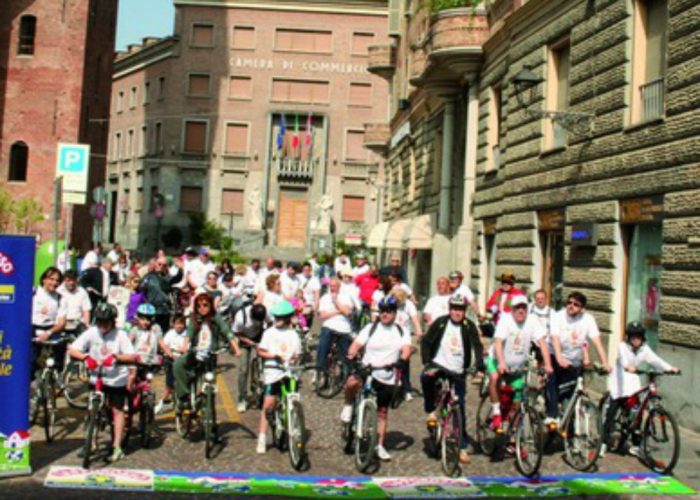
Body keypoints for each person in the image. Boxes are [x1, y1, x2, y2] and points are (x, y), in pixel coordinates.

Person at [340, 296, 412, 461]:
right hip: (368, 369)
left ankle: (379, 445)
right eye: (383, 311)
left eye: (389, 311)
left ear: (394, 313)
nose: (385, 314)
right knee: (352, 383)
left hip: (387, 374)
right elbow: (356, 344)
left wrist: (402, 360)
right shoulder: (370, 328)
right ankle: (349, 405)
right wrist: (351, 355)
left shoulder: (401, 331)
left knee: (382, 412)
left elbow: (406, 349)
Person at [68, 303, 137, 462]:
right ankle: (91, 442)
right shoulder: (92, 332)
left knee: (117, 410)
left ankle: (117, 446)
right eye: (99, 322)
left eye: (106, 322)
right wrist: (86, 357)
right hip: (96, 377)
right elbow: (73, 349)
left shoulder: (120, 335)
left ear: (113, 321)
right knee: (91, 409)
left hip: (115, 378)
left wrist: (116, 357)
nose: (102, 326)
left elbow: (132, 356)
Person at [420, 294, 484, 465]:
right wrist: (427, 363)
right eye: (454, 309)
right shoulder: (440, 323)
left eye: (460, 310)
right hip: (439, 365)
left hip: (458, 371)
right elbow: (426, 342)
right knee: (425, 378)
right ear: (450, 310)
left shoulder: (468, 326)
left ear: (465, 311)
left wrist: (479, 364)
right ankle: (431, 410)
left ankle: (462, 447)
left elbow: (477, 345)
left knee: (460, 407)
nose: (457, 313)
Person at [603, 322, 679, 457]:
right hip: (620, 381)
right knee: (612, 411)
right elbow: (624, 360)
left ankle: (636, 445)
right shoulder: (622, 346)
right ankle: (603, 442)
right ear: (629, 337)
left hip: (633, 382)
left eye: (638, 337)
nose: (636, 339)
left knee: (637, 413)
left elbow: (656, 360)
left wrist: (670, 368)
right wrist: (628, 366)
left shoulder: (644, 349)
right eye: (633, 337)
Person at [485, 296, 553, 431]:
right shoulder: (506, 320)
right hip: (497, 360)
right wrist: (501, 362)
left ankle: (512, 436)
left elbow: (543, 343)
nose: (521, 311)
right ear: (512, 310)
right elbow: (498, 342)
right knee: (494, 378)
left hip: (517, 367)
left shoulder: (532, 320)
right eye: (518, 308)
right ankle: (496, 412)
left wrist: (548, 364)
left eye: (524, 308)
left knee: (516, 402)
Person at [545, 291, 610, 429]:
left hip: (573, 359)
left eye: (576, 304)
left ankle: (570, 430)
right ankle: (552, 415)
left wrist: (605, 363)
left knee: (570, 392)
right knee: (553, 382)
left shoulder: (588, 319)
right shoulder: (557, 316)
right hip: (554, 353)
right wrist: (559, 357)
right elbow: (555, 338)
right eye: (569, 302)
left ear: (582, 309)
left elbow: (597, 341)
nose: (571, 306)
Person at [173, 293, 241, 423]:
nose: (202, 308)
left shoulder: (216, 318)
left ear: (210, 305)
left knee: (210, 390)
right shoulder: (194, 319)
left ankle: (212, 426)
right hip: (194, 353)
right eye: (198, 306)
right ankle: (183, 397)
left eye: (205, 305)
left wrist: (236, 349)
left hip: (210, 357)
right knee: (178, 365)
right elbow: (189, 334)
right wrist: (184, 346)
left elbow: (227, 333)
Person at [255, 300, 302, 454]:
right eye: (276, 317)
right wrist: (273, 356)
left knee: (293, 398)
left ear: (288, 318)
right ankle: (262, 437)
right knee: (268, 404)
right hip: (273, 371)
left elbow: (298, 353)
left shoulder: (293, 334)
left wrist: (295, 358)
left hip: (289, 371)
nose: (277, 320)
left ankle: (292, 425)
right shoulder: (269, 332)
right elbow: (260, 351)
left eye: (281, 317)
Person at [233, 303, 268, 413]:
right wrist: (251, 343)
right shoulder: (240, 317)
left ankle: (264, 391)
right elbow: (236, 334)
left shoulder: (266, 314)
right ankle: (242, 398)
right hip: (245, 339)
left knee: (268, 364)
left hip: (261, 336)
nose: (257, 323)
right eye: (255, 321)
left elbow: (271, 325)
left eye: (260, 321)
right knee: (243, 369)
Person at [316, 277, 354, 378]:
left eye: (335, 286)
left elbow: (347, 312)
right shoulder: (324, 298)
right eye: (331, 286)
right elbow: (322, 315)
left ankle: (346, 375)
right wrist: (338, 311)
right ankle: (321, 372)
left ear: (339, 287)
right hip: (329, 325)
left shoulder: (345, 297)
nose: (332, 288)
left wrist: (336, 301)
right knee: (322, 348)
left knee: (346, 353)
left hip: (343, 327)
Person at [32, 267, 67, 376]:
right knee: (30, 362)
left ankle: (56, 381)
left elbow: (61, 323)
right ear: (44, 279)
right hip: (32, 329)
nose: (54, 283)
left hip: (51, 329)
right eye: (51, 279)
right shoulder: (33, 293)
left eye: (57, 280)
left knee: (56, 361)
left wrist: (49, 332)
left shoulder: (61, 298)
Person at [390, 288, 422, 400]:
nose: (398, 303)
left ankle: (407, 389)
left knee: (405, 361)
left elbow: (414, 318)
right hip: (392, 333)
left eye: (399, 301)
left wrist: (418, 330)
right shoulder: (390, 302)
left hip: (404, 334)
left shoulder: (409, 305)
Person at [157, 315, 189, 415]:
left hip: (184, 359)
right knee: (169, 383)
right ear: (173, 324)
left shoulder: (187, 334)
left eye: (182, 324)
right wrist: (170, 353)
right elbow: (164, 345)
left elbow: (189, 347)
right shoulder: (170, 334)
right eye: (177, 324)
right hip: (171, 359)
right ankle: (162, 402)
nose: (180, 326)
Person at [141, 256, 182, 333]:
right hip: (151, 309)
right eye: (159, 264)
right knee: (150, 332)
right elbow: (141, 289)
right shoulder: (148, 276)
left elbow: (177, 278)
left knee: (163, 332)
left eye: (164, 265)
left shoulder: (166, 278)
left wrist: (181, 269)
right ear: (155, 264)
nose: (161, 266)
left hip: (164, 310)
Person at [57, 269, 92, 335]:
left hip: (77, 325)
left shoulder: (82, 292)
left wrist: (86, 324)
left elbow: (86, 310)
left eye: (73, 280)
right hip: (61, 325)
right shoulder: (58, 291)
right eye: (68, 280)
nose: (71, 282)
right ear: (64, 280)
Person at [299, 262, 321, 328]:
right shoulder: (298, 277)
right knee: (299, 324)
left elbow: (317, 294)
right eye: (305, 270)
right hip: (299, 305)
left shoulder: (315, 280)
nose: (307, 271)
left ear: (311, 270)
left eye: (308, 270)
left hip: (309, 304)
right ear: (302, 270)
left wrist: (315, 306)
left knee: (307, 324)